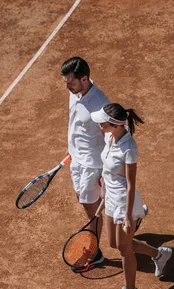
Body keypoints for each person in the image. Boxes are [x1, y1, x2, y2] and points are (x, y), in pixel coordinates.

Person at [91, 103, 173, 289]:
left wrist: (128, 216)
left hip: (123, 204)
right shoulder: (110, 137)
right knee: (114, 243)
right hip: (110, 198)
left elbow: (130, 185)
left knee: (125, 250)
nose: (99, 124)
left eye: (103, 121)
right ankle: (160, 254)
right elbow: (107, 165)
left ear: (115, 125)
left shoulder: (129, 149)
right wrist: (103, 184)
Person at [61, 57, 110, 266]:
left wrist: (106, 174)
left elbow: (112, 139)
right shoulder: (77, 91)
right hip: (77, 160)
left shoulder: (100, 106)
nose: (68, 87)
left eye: (71, 83)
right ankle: (133, 210)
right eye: (66, 82)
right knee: (83, 200)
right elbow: (75, 122)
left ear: (84, 79)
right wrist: (71, 148)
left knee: (91, 207)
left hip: (92, 164)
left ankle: (95, 251)